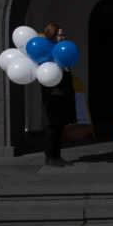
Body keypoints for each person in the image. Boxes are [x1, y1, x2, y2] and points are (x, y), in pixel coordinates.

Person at [41, 23, 76, 167]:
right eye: (60, 34)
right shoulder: (47, 51)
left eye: (63, 34)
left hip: (63, 94)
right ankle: (50, 156)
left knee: (60, 126)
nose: (63, 37)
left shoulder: (62, 50)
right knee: (53, 126)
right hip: (53, 95)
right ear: (53, 35)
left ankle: (57, 155)